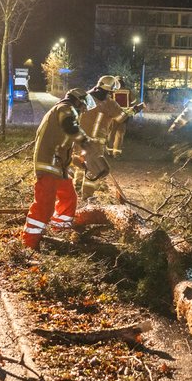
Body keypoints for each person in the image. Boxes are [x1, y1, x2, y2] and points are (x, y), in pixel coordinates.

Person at [22, 88, 98, 251]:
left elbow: (64, 146)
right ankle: (29, 244)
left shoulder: (65, 112)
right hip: (48, 164)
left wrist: (80, 163)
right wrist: (86, 142)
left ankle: (60, 230)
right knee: (45, 205)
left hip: (58, 166)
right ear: (78, 101)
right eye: (83, 106)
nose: (84, 110)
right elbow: (70, 128)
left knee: (69, 198)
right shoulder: (65, 109)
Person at [74, 75, 144, 200]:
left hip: (79, 140)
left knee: (81, 164)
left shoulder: (84, 97)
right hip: (95, 143)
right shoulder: (110, 103)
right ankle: (87, 197)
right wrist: (135, 110)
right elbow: (121, 117)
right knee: (94, 171)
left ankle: (76, 191)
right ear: (110, 90)